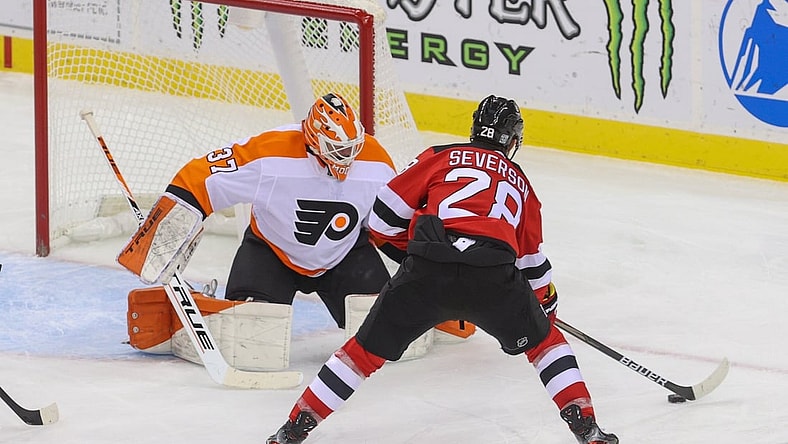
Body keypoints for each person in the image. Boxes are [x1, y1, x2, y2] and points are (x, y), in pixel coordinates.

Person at [265, 95, 618, 444]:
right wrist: (545, 305)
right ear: (513, 140)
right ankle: (586, 427)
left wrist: (418, 251)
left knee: (361, 353)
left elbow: (381, 220)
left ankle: (294, 428)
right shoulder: (523, 185)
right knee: (547, 346)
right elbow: (531, 264)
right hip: (493, 277)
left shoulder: (439, 156)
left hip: (427, 271)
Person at [117, 92, 397, 367]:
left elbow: (392, 222)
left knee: (390, 334)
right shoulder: (270, 153)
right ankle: (189, 313)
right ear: (312, 140)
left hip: (344, 255)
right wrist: (162, 232)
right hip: (272, 254)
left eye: (352, 148)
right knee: (247, 339)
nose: (347, 157)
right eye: (338, 149)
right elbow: (199, 176)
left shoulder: (377, 162)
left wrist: (423, 271)